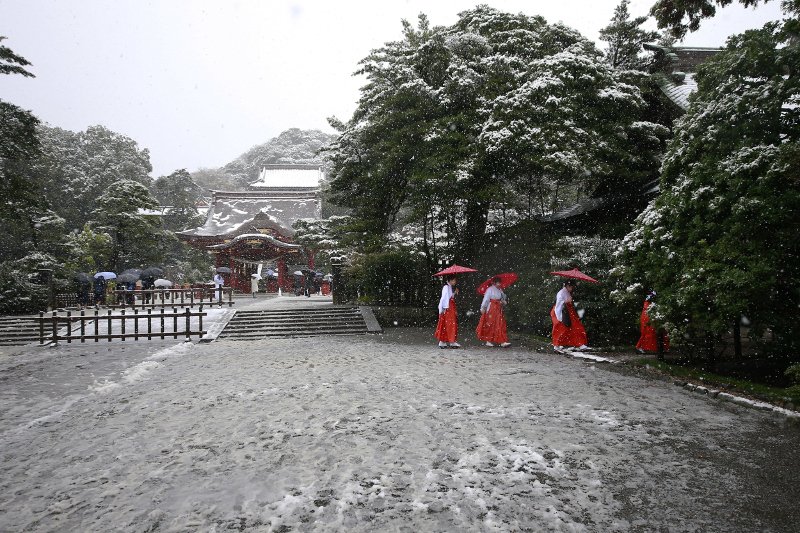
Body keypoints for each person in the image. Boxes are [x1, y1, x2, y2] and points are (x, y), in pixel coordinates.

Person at [550, 279, 589, 352]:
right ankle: (557, 345)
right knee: (561, 329)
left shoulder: (566, 292)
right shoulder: (561, 293)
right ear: (568, 286)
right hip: (561, 312)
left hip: (568, 312)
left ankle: (579, 344)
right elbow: (559, 305)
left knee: (575, 327)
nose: (572, 289)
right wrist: (560, 318)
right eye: (571, 287)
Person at [476, 276, 511, 347]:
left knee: (500, 324)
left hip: (498, 308)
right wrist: (483, 307)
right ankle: (489, 340)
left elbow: (502, 298)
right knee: (490, 324)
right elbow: (486, 299)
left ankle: (502, 341)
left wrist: (503, 301)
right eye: (497, 283)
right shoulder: (490, 289)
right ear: (494, 283)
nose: (499, 284)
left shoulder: (500, 290)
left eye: (499, 283)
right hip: (491, 307)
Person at [435, 275, 461, 349]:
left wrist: (454, 293)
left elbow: (449, 297)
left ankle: (443, 341)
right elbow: (444, 298)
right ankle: (450, 341)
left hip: (449, 306)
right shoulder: (446, 287)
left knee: (447, 324)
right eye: (454, 280)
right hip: (448, 307)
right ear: (450, 280)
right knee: (450, 324)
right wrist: (445, 308)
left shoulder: (448, 287)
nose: (455, 282)